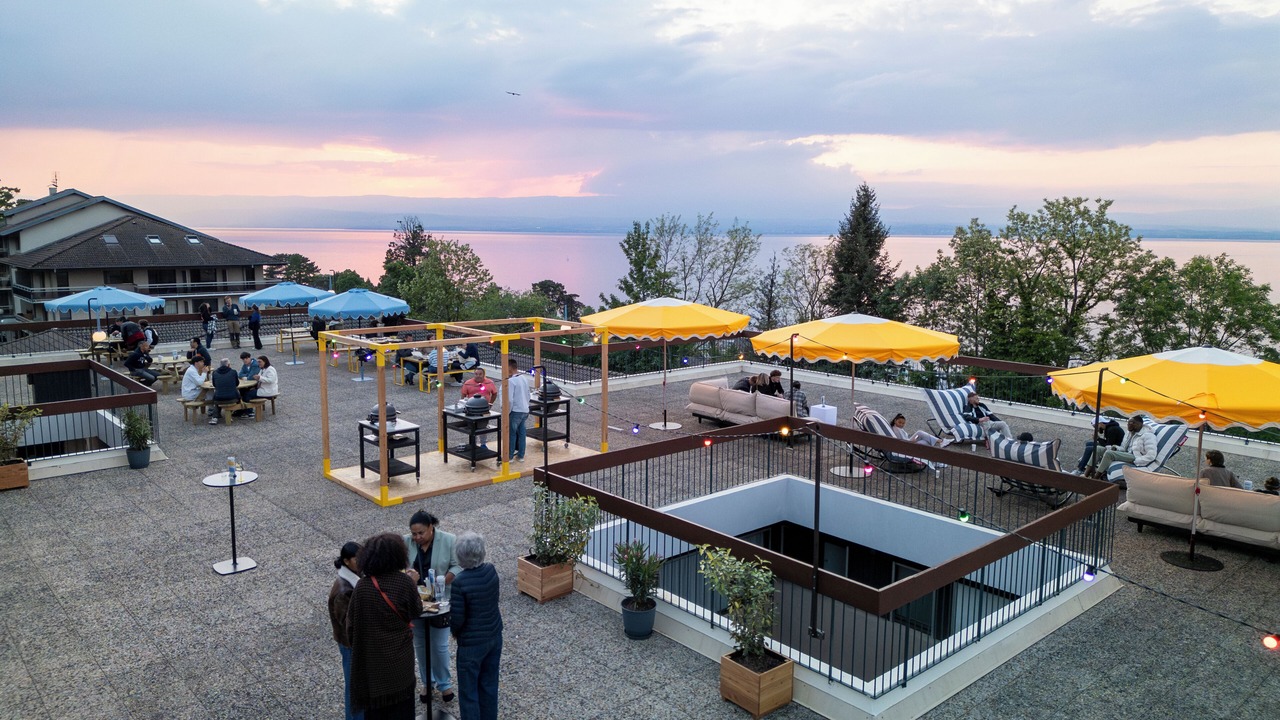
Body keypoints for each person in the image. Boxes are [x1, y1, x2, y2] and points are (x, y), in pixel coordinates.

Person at [346, 532, 421, 720]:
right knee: (402, 711)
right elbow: (416, 610)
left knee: (377, 714)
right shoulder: (404, 582)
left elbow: (351, 627)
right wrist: (413, 583)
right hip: (400, 665)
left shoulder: (362, 587)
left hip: (373, 668)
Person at [402, 510, 461, 706]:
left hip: (441, 599)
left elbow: (457, 566)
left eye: (421, 533)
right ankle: (427, 681)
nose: (417, 538)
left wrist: (443, 581)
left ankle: (444, 684)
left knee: (440, 644)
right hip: (415, 599)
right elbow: (399, 567)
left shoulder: (449, 540)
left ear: (431, 528)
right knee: (420, 642)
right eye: (414, 534)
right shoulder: (405, 543)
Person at [450, 531, 503, 720]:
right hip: (494, 635)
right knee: (489, 685)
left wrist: (454, 632)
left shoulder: (459, 583)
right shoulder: (491, 570)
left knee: (469, 692)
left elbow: (457, 619)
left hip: (471, 643)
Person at [329, 541, 364, 720]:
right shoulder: (344, 589)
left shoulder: (355, 577)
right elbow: (348, 624)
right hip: (351, 644)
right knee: (354, 688)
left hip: (355, 643)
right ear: (346, 561)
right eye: (357, 559)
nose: (361, 561)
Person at [1090, 416, 1157, 481]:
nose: (1128, 425)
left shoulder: (1148, 436)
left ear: (1138, 424)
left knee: (1109, 453)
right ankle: (1086, 474)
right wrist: (1115, 448)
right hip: (1126, 454)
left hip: (1136, 457)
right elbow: (1123, 448)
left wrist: (1136, 460)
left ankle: (1095, 478)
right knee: (1098, 448)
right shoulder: (1129, 433)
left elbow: (1151, 456)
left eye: (1130, 423)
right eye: (1128, 423)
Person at [506, 358, 531, 463]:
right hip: (525, 409)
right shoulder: (524, 378)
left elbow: (510, 399)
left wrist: (507, 412)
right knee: (522, 434)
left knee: (511, 434)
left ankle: (510, 456)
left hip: (515, 410)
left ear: (510, 368)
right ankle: (521, 455)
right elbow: (528, 394)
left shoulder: (511, 381)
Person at [208, 358, 240, 425]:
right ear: (228, 365)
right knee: (233, 393)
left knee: (218, 396)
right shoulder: (233, 372)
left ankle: (215, 417)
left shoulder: (215, 373)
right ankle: (230, 415)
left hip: (218, 399)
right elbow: (237, 384)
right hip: (233, 398)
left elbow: (214, 385)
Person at [233, 352, 262, 418]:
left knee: (246, 393)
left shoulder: (255, 365)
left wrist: (246, 377)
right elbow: (239, 375)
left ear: (249, 358)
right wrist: (247, 376)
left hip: (255, 384)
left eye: (246, 358)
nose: (245, 360)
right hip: (247, 384)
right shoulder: (245, 365)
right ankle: (243, 409)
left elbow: (251, 377)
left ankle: (249, 411)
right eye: (243, 359)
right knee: (241, 391)